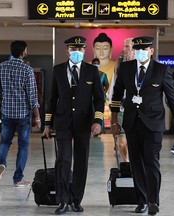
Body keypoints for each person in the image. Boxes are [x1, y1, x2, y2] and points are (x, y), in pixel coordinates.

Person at [110, 36, 174, 215]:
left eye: (144, 49)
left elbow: (172, 98)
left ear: (151, 51)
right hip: (132, 122)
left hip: (153, 123)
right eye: (137, 49)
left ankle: (153, 201)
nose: (140, 52)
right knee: (136, 163)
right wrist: (114, 121)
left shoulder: (161, 70)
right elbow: (116, 95)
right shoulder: (126, 68)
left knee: (151, 161)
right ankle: (142, 200)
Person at [42, 36, 104, 215]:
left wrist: (97, 121)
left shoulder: (92, 71)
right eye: (73, 49)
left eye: (80, 49)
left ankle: (76, 200)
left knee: (81, 162)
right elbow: (52, 100)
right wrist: (47, 124)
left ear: (85, 51)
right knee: (64, 160)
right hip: (62, 122)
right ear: (67, 51)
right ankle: (62, 201)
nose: (77, 52)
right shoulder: (59, 70)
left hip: (84, 123)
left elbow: (99, 99)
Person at [0, 40, 41, 187]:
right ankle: (18, 179)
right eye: (26, 50)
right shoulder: (27, 70)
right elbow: (32, 96)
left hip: (6, 113)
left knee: (5, 142)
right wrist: (37, 116)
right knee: (23, 146)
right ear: (22, 52)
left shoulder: (2, 67)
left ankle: (1, 164)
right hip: (23, 115)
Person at [109, 38, 135, 162]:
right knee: (121, 141)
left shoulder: (140, 64)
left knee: (134, 140)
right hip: (121, 107)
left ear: (134, 49)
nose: (124, 49)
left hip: (136, 107)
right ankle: (127, 164)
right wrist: (112, 107)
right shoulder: (119, 63)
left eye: (127, 47)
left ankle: (135, 164)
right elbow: (114, 85)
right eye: (124, 46)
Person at [92, 57, 109, 132]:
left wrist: (103, 93)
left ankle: (100, 129)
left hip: (100, 97)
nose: (96, 65)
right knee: (91, 112)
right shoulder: (89, 74)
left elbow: (107, 85)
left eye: (97, 64)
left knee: (99, 112)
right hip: (90, 97)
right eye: (94, 64)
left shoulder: (103, 75)